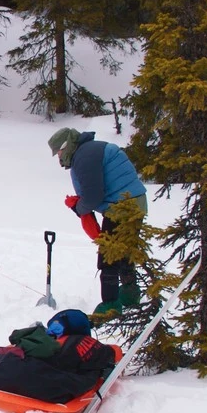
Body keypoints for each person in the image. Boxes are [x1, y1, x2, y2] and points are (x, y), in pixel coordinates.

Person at [47, 127, 147, 315]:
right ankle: (130, 294)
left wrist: (78, 208)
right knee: (125, 251)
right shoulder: (89, 150)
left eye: (58, 152)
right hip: (136, 203)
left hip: (122, 207)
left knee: (109, 256)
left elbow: (93, 196)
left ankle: (110, 305)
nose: (59, 157)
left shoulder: (84, 156)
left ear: (66, 146)